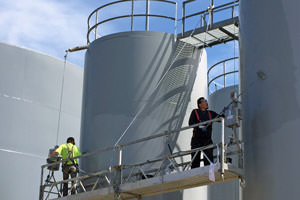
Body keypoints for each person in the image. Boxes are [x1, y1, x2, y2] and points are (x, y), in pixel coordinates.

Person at [189, 97, 219, 168]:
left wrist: (227, 113)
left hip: (207, 140)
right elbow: (191, 123)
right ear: (200, 104)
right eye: (204, 101)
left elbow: (220, 118)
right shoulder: (195, 112)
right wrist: (200, 126)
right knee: (195, 161)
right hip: (197, 140)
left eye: (206, 101)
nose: (206, 102)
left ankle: (209, 172)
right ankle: (195, 174)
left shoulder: (210, 113)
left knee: (208, 160)